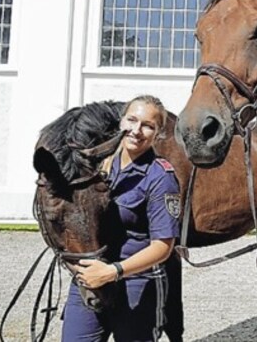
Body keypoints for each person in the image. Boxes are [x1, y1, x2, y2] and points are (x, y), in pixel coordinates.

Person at [64, 95, 181, 342]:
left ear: (158, 134)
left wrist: (113, 271)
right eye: (132, 120)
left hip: (137, 281)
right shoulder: (96, 166)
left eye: (148, 125)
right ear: (121, 122)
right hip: (90, 277)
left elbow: (163, 246)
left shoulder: (161, 177)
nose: (137, 131)